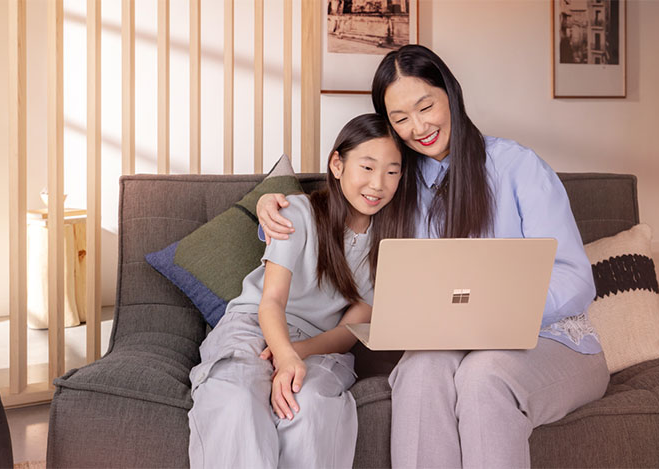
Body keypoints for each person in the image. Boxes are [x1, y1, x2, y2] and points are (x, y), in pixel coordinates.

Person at [256, 44, 610, 468]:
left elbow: (574, 277)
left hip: (548, 341)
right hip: (450, 344)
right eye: (400, 119)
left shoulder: (517, 167)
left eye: (426, 106)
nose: (418, 127)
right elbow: (340, 210)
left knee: (485, 377)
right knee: (421, 370)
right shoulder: (397, 180)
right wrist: (270, 210)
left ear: (451, 96)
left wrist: (503, 315)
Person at [188, 113, 411, 468]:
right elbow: (271, 301)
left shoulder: (391, 245)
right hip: (254, 326)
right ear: (337, 164)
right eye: (367, 168)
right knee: (236, 398)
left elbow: (347, 331)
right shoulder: (298, 214)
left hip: (317, 346)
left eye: (392, 171)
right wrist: (282, 353)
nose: (378, 184)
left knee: (309, 408)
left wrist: (295, 355)